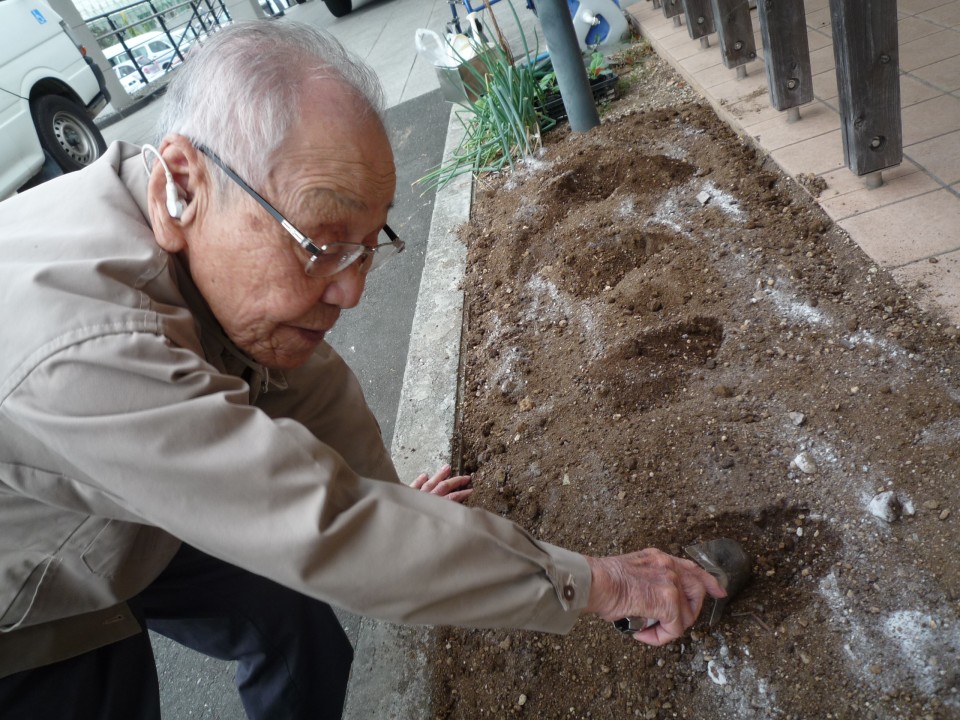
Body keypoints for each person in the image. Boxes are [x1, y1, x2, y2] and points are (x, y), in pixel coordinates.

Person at [0, 21, 724, 720]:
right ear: (180, 186)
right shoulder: (85, 342)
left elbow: (310, 393)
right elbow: (329, 532)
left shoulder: (191, 218)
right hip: (24, 596)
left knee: (282, 610)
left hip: (128, 487)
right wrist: (601, 583)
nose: (351, 291)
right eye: (320, 243)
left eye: (367, 245)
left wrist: (397, 508)